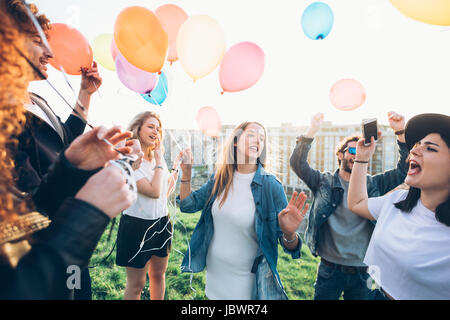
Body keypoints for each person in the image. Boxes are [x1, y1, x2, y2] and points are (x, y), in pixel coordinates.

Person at [0, 2, 136, 299]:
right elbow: (19, 226)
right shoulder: (4, 115)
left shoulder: (35, 100)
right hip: (44, 254)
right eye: (37, 41)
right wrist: (88, 210)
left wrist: (76, 162)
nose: (49, 52)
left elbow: (62, 141)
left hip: (63, 243)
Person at [177, 122, 309, 300]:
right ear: (236, 141)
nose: (258, 141)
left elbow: (290, 248)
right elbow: (188, 205)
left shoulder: (271, 186)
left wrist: (289, 233)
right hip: (215, 276)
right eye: (252, 134)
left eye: (262, 138)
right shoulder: (220, 178)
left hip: (246, 284)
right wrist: (186, 173)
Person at [289, 112, 409, 300]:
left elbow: (404, 171)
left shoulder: (373, 184)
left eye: (360, 151)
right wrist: (312, 130)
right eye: (352, 151)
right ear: (340, 154)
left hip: (364, 272)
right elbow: (298, 163)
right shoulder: (324, 182)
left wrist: (400, 132)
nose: (356, 155)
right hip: (329, 270)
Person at [348, 113, 450, 300]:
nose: (414, 151)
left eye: (430, 148)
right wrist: (362, 158)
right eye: (416, 145)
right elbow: (357, 203)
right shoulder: (397, 200)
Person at [116, 111, 182, 300]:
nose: (156, 131)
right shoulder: (129, 161)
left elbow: (164, 193)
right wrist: (161, 161)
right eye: (151, 126)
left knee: (158, 276)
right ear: (138, 129)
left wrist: (175, 168)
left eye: (158, 128)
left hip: (161, 223)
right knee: (136, 284)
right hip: (136, 226)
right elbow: (153, 192)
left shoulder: (156, 159)